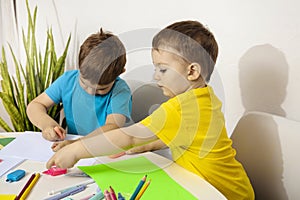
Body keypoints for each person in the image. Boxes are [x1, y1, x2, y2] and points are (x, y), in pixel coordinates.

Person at [46, 20, 254, 199]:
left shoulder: (180, 109)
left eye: (162, 69)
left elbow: (129, 137)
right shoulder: (205, 98)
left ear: (192, 71)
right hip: (232, 188)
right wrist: (149, 145)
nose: (155, 76)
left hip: (219, 194)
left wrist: (75, 151)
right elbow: (192, 137)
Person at [26, 28, 132, 144]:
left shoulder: (120, 90)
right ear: (79, 68)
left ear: (120, 72)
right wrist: (48, 125)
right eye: (85, 84)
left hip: (104, 149)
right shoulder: (67, 81)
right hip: (73, 150)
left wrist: (79, 144)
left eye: (101, 89)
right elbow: (35, 105)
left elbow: (112, 127)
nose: (91, 92)